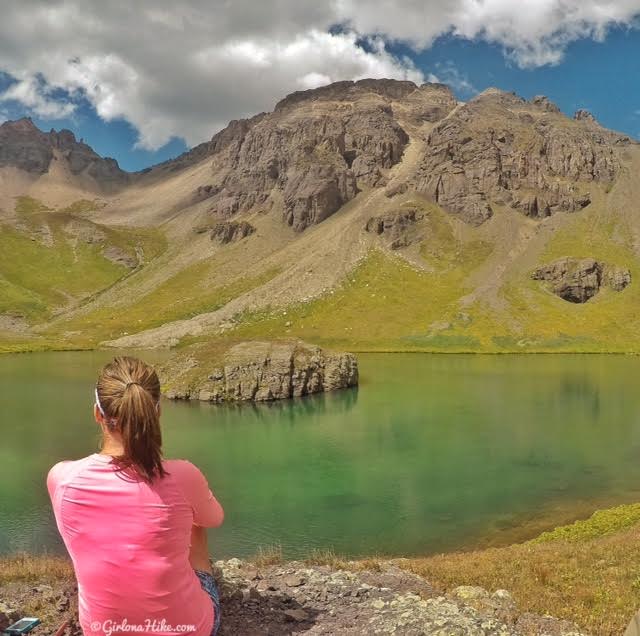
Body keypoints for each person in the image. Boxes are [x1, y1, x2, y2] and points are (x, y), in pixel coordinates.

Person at [46, 356, 224, 636]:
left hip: (102, 630)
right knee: (195, 523)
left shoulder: (62, 478)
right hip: (187, 629)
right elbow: (214, 519)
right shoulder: (183, 475)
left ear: (97, 413)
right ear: (157, 412)